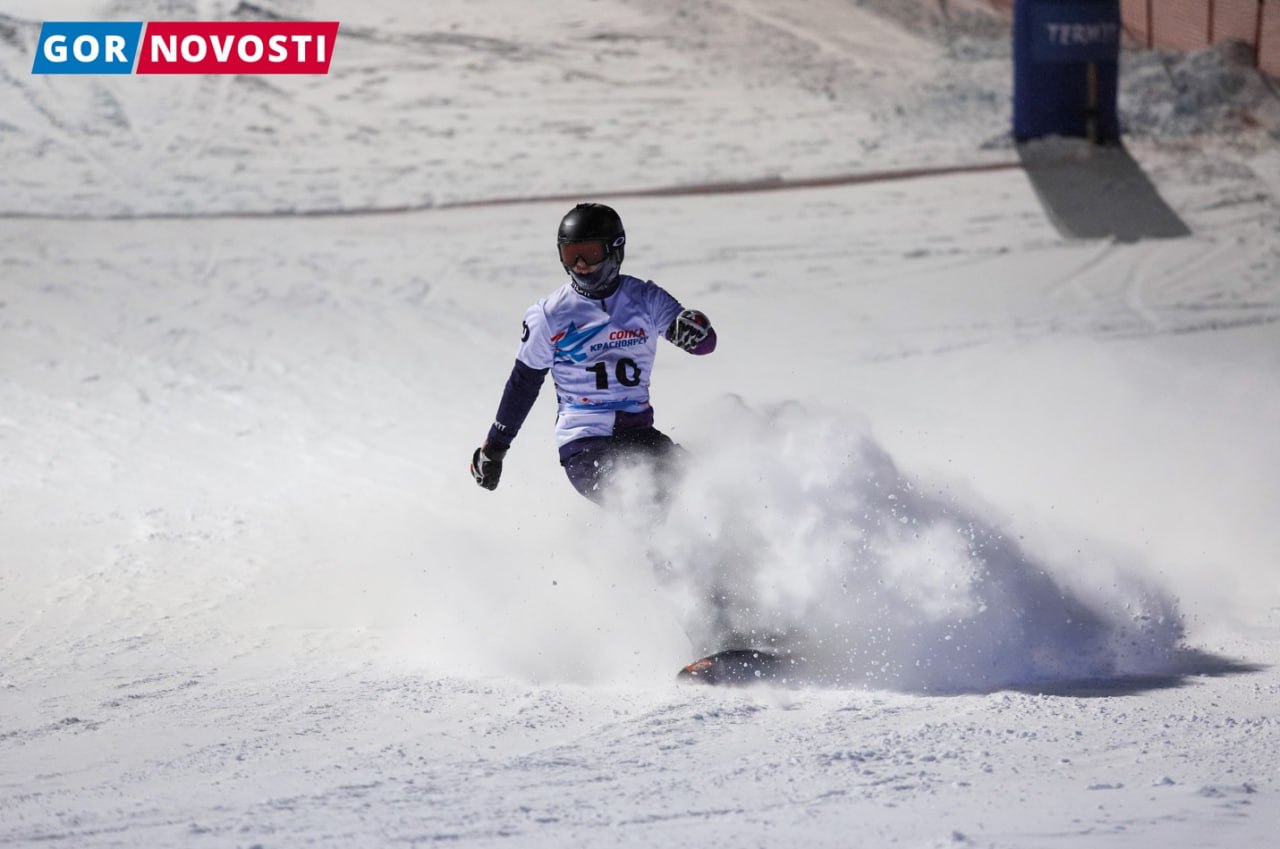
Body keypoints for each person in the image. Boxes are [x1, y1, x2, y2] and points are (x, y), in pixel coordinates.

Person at [470, 202, 717, 504]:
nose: (581, 265)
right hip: (584, 444)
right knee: (642, 500)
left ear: (615, 250)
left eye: (590, 253)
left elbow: (704, 343)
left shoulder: (645, 298)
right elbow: (523, 384)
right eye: (571, 255)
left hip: (639, 433)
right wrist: (494, 450)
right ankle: (668, 550)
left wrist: (694, 333)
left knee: (704, 487)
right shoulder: (549, 314)